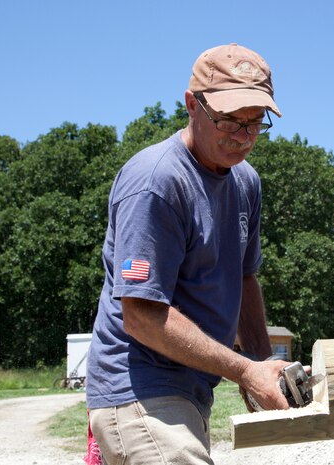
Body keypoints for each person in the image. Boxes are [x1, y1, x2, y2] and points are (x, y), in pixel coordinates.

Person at [86, 43, 291, 465]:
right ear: (191, 105)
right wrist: (243, 370)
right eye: (231, 122)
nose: (244, 138)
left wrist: (258, 363)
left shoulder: (245, 183)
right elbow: (142, 315)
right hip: (138, 388)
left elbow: (245, 278)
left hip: (191, 390)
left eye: (256, 123)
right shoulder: (157, 182)